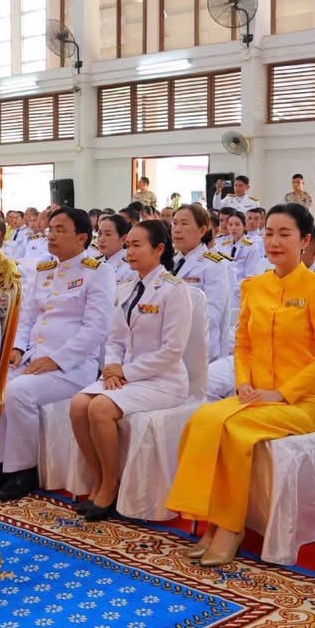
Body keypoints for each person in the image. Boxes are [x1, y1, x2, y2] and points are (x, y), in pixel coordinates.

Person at [167, 203, 315, 566]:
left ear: (306, 240)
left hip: (301, 400)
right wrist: (243, 383)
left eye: (284, 234)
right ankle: (211, 519)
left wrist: (284, 392)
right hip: (255, 394)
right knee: (203, 420)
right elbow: (243, 344)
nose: (274, 241)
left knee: (235, 431)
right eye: (269, 233)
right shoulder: (255, 286)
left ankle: (230, 527)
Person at [70, 220, 193, 521]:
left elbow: (171, 351)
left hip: (163, 380)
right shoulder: (125, 286)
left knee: (100, 408)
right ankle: (98, 479)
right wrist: (112, 366)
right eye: (129, 245)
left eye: (138, 245)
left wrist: (124, 372)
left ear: (159, 249)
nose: (130, 251)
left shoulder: (174, 291)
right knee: (77, 405)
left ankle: (111, 485)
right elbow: (115, 338)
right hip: (125, 375)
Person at [0, 207, 116, 501]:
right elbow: (27, 316)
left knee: (18, 392)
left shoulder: (98, 272)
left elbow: (96, 329)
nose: (52, 234)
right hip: (34, 357)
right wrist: (18, 348)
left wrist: (57, 359)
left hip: (72, 368)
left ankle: (23, 470)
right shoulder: (44, 269)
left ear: (82, 238)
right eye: (51, 228)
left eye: (61, 229)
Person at [171, 204, 232, 362]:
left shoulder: (214, 265)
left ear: (202, 230)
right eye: (175, 223)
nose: (177, 229)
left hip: (198, 350)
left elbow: (211, 316)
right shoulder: (172, 262)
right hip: (170, 347)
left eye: (184, 224)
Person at [96, 213, 133, 285]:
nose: (101, 239)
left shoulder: (129, 268)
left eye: (108, 234)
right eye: (100, 233)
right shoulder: (95, 262)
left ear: (124, 239)